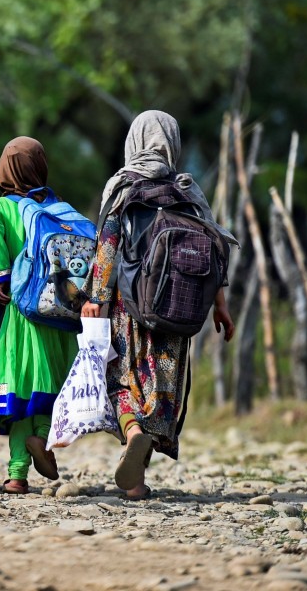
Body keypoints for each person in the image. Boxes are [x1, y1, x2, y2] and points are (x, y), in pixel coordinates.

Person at [81, 110, 235, 500]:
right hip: (178, 308)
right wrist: (221, 306)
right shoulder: (188, 191)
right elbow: (215, 253)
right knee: (160, 387)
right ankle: (138, 475)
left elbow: (108, 247)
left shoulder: (124, 188)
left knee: (122, 380)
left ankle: (132, 438)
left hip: (129, 308)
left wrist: (96, 298)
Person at [0, 137, 77, 495]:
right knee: (48, 385)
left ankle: (16, 473)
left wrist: (1, 275)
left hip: (22, 313)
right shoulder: (59, 208)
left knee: (22, 388)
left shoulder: (0, 208)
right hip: (61, 313)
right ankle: (42, 438)